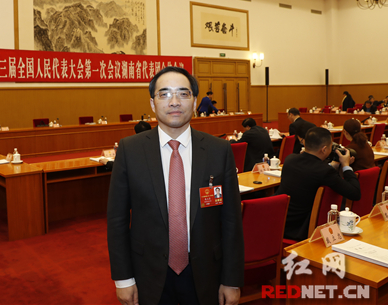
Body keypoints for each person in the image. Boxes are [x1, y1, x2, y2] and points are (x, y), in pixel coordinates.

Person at [107, 66, 244, 305]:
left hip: (206, 273)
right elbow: (117, 220)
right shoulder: (130, 150)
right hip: (147, 272)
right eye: (165, 94)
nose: (174, 101)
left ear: (194, 102)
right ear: (153, 103)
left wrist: (231, 280)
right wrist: (123, 280)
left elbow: (231, 220)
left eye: (183, 93)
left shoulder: (218, 150)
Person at [275, 127, 361, 241]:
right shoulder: (325, 171)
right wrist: (346, 166)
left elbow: (310, 172)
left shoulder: (289, 159)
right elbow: (355, 193)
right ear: (324, 149)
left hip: (280, 221)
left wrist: (333, 165)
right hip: (302, 229)